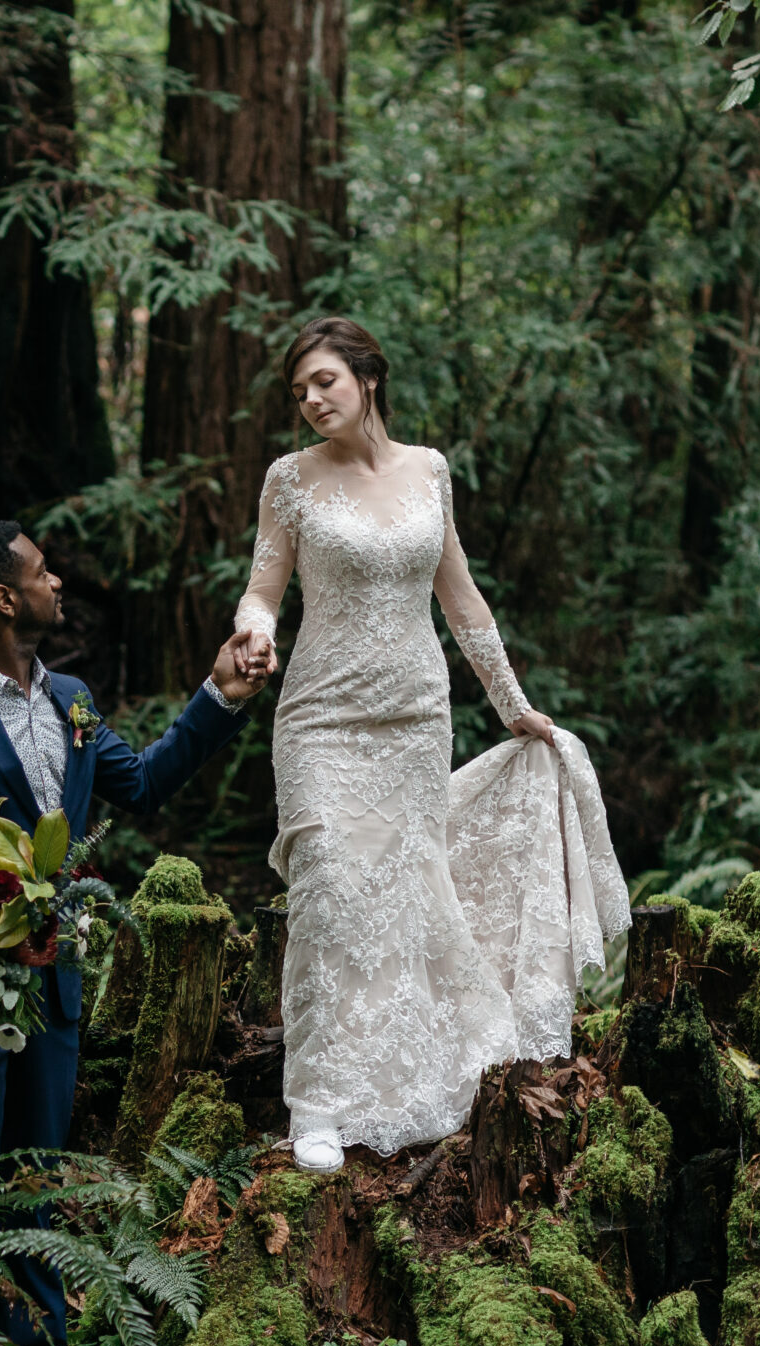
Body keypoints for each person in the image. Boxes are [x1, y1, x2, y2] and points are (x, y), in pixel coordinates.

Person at [232, 316, 630, 1176]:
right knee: (330, 886)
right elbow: (263, 588)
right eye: (298, 390)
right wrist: (252, 634)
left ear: (368, 378)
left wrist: (513, 704)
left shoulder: (430, 472)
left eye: (324, 382)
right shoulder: (289, 482)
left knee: (408, 893)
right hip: (320, 719)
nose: (309, 400)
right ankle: (319, 1103)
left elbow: (461, 597)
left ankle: (406, 1081)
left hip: (415, 716)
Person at [0, 520, 268, 1346]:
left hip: (57, 980)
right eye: (43, 570)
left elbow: (146, 783)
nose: (59, 580)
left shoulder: (75, 701)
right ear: (5, 598)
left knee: (40, 1169)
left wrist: (221, 694)